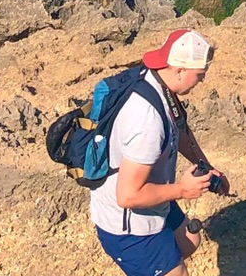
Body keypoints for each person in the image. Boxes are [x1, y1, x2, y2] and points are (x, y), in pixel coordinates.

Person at [92, 28, 226, 276]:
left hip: (150, 206)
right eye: (200, 75)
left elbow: (180, 128)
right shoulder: (147, 122)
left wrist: (204, 164)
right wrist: (183, 190)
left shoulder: (157, 82)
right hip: (128, 227)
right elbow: (128, 196)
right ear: (179, 70)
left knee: (188, 239)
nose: (203, 81)